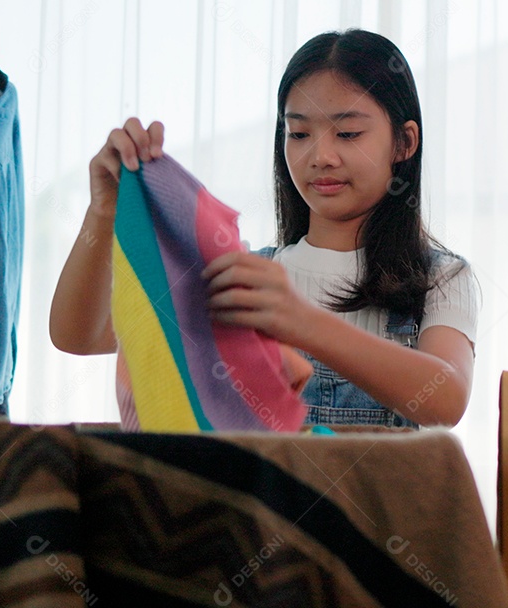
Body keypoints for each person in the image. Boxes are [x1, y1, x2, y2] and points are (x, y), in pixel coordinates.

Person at [49, 29, 478, 429]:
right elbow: (78, 335)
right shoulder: (240, 275)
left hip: (372, 510)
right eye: (299, 132)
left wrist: (300, 320)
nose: (320, 155)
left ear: (404, 142)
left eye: (347, 133)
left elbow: (446, 399)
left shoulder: (441, 277)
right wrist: (103, 214)